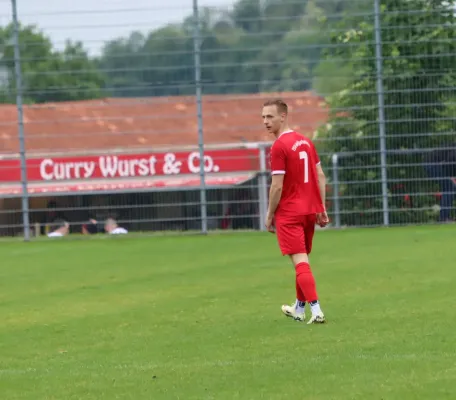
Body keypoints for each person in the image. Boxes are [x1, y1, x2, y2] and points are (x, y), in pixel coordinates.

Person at [263, 99, 329, 324]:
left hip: (290, 213)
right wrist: (321, 207)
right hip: (309, 210)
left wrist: (270, 214)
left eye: (270, 117)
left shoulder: (279, 146)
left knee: (301, 263)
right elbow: (320, 176)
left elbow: (277, 185)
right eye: (263, 117)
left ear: (283, 116)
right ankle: (298, 309)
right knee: (303, 261)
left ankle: (316, 310)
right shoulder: (305, 142)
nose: (265, 121)